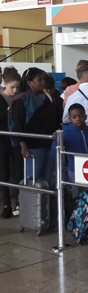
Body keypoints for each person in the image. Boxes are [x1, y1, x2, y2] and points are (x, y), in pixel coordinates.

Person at [9, 68, 62, 179]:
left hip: (49, 145)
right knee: (33, 178)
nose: (43, 82)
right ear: (29, 83)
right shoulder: (21, 101)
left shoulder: (47, 98)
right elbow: (18, 126)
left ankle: (46, 197)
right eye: (39, 80)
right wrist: (24, 148)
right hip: (33, 147)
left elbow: (54, 118)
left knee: (48, 178)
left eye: (43, 80)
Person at [59, 104, 88, 198]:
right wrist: (57, 140)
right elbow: (54, 151)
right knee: (76, 195)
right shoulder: (65, 133)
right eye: (74, 117)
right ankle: (77, 212)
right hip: (75, 169)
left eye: (81, 116)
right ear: (69, 119)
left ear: (85, 117)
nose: (78, 119)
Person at [0, 67, 21, 218]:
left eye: (17, 87)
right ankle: (7, 204)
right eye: (12, 87)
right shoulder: (2, 98)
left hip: (16, 140)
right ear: (5, 84)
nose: (14, 90)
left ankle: (19, 203)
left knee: (18, 172)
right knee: (4, 172)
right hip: (2, 141)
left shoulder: (20, 98)